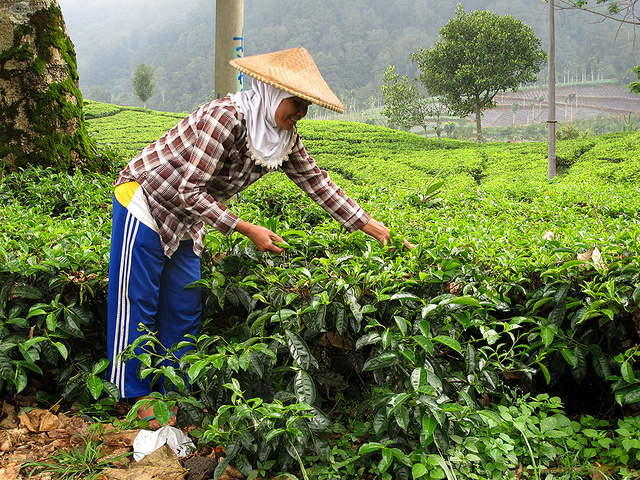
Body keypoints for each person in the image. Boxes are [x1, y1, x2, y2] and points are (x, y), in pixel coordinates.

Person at [107, 47, 413, 428]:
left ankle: (174, 392)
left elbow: (316, 182)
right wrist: (246, 228)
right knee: (138, 298)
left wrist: (368, 224)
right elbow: (188, 189)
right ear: (271, 92)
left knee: (184, 302)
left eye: (305, 106)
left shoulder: (283, 138)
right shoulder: (226, 118)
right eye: (295, 102)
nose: (299, 113)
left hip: (189, 215)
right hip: (148, 196)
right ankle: (134, 395)